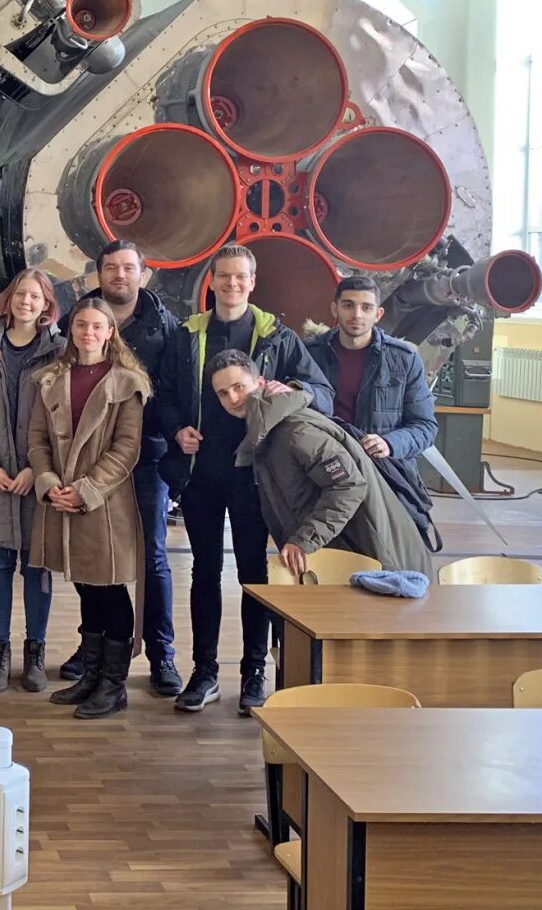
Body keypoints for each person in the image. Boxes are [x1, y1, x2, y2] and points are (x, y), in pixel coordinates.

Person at [157, 244, 333, 715]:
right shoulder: (187, 335)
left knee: (254, 574)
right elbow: (162, 395)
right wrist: (177, 430)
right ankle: (205, 672)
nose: (232, 284)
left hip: (257, 477)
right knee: (204, 572)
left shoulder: (279, 337)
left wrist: (290, 388)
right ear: (211, 281)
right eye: (224, 276)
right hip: (201, 473)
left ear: (253, 282)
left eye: (240, 277)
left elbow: (322, 393)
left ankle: (255, 673)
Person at [63, 240, 184, 697]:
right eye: (111, 267)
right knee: (90, 556)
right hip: (90, 463)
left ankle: (161, 654)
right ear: (99, 274)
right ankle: (92, 649)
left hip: (145, 459)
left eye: (128, 268)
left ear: (143, 275)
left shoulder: (165, 326)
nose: (119, 275)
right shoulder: (80, 317)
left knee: (152, 557)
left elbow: (171, 392)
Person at [209, 350, 435, 575]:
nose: (233, 399)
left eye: (239, 387)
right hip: (353, 558)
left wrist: (303, 540)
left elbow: (349, 486)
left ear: (260, 383)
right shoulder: (266, 431)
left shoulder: (295, 430)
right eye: (223, 393)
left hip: (381, 563)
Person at [28, 298, 148, 719]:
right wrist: (48, 483)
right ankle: (92, 676)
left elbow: (126, 448)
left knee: (109, 588)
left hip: (105, 503)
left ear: (110, 332)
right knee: (85, 586)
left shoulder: (127, 383)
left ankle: (114, 686)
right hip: (60, 498)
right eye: (81, 324)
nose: (88, 332)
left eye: (98, 326)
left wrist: (86, 490)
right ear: (71, 330)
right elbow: (37, 439)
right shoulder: (51, 379)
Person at [0, 267, 62, 693]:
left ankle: (35, 653)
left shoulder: (59, 351)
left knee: (37, 569)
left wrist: (35, 470)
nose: (26, 302)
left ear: (46, 304)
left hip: (39, 480)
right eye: (21, 294)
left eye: (35, 296)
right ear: (9, 298)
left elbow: (62, 418)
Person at [304, 275, 438, 490]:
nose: (357, 314)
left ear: (378, 314)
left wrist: (390, 443)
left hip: (385, 475)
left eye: (366, 307)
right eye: (348, 305)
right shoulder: (309, 354)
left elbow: (425, 426)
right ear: (335, 309)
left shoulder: (404, 359)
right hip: (322, 474)